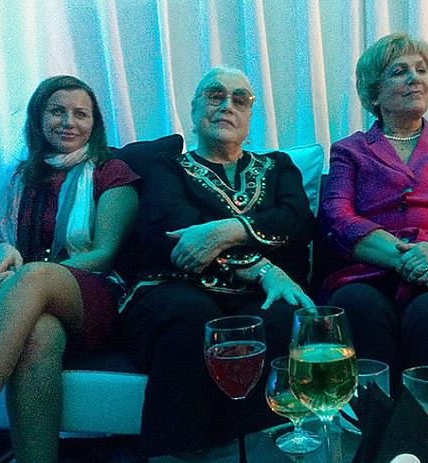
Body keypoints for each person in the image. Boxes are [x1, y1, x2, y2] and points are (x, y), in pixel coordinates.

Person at [119, 66, 315, 457]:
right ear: (193, 109)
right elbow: (173, 229)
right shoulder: (166, 167)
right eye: (215, 95)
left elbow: (297, 221)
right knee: (194, 318)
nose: (227, 105)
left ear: (250, 115)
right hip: (175, 286)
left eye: (240, 99)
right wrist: (262, 267)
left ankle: (258, 454)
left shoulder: (278, 167)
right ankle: (175, 456)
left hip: (260, 295)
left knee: (280, 319)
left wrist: (228, 230)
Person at [0, 75, 139, 463]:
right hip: (30, 301)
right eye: (57, 111)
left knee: (35, 276)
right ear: (38, 117)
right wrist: (5, 261)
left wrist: (27, 278)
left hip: (97, 294)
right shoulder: (18, 177)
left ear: (94, 123)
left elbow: (104, 254)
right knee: (39, 335)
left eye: (81, 114)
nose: (68, 122)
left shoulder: (111, 172)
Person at [321, 32, 428, 401]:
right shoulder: (349, 150)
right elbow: (337, 217)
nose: (415, 78)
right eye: (400, 72)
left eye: (421, 70)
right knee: (356, 304)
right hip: (370, 272)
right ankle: (374, 426)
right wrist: (413, 261)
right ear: (374, 93)